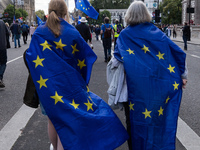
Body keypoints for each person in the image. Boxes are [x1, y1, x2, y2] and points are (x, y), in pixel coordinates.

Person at [24, 0, 129, 150]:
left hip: (47, 87)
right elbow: (85, 58)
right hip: (69, 85)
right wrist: (82, 81)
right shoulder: (72, 32)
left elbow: (31, 57)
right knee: (67, 123)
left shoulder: (39, 32)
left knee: (53, 120)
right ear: (65, 12)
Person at [109, 1, 187, 149]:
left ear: (129, 15)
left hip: (132, 90)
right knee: (155, 122)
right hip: (155, 89)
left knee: (133, 123)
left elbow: (116, 62)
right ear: (146, 14)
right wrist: (182, 76)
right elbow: (177, 53)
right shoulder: (157, 33)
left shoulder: (125, 35)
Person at [0, 19, 9, 88]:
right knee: (3, 63)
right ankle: (0, 77)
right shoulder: (2, 22)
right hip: (2, 46)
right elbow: (7, 33)